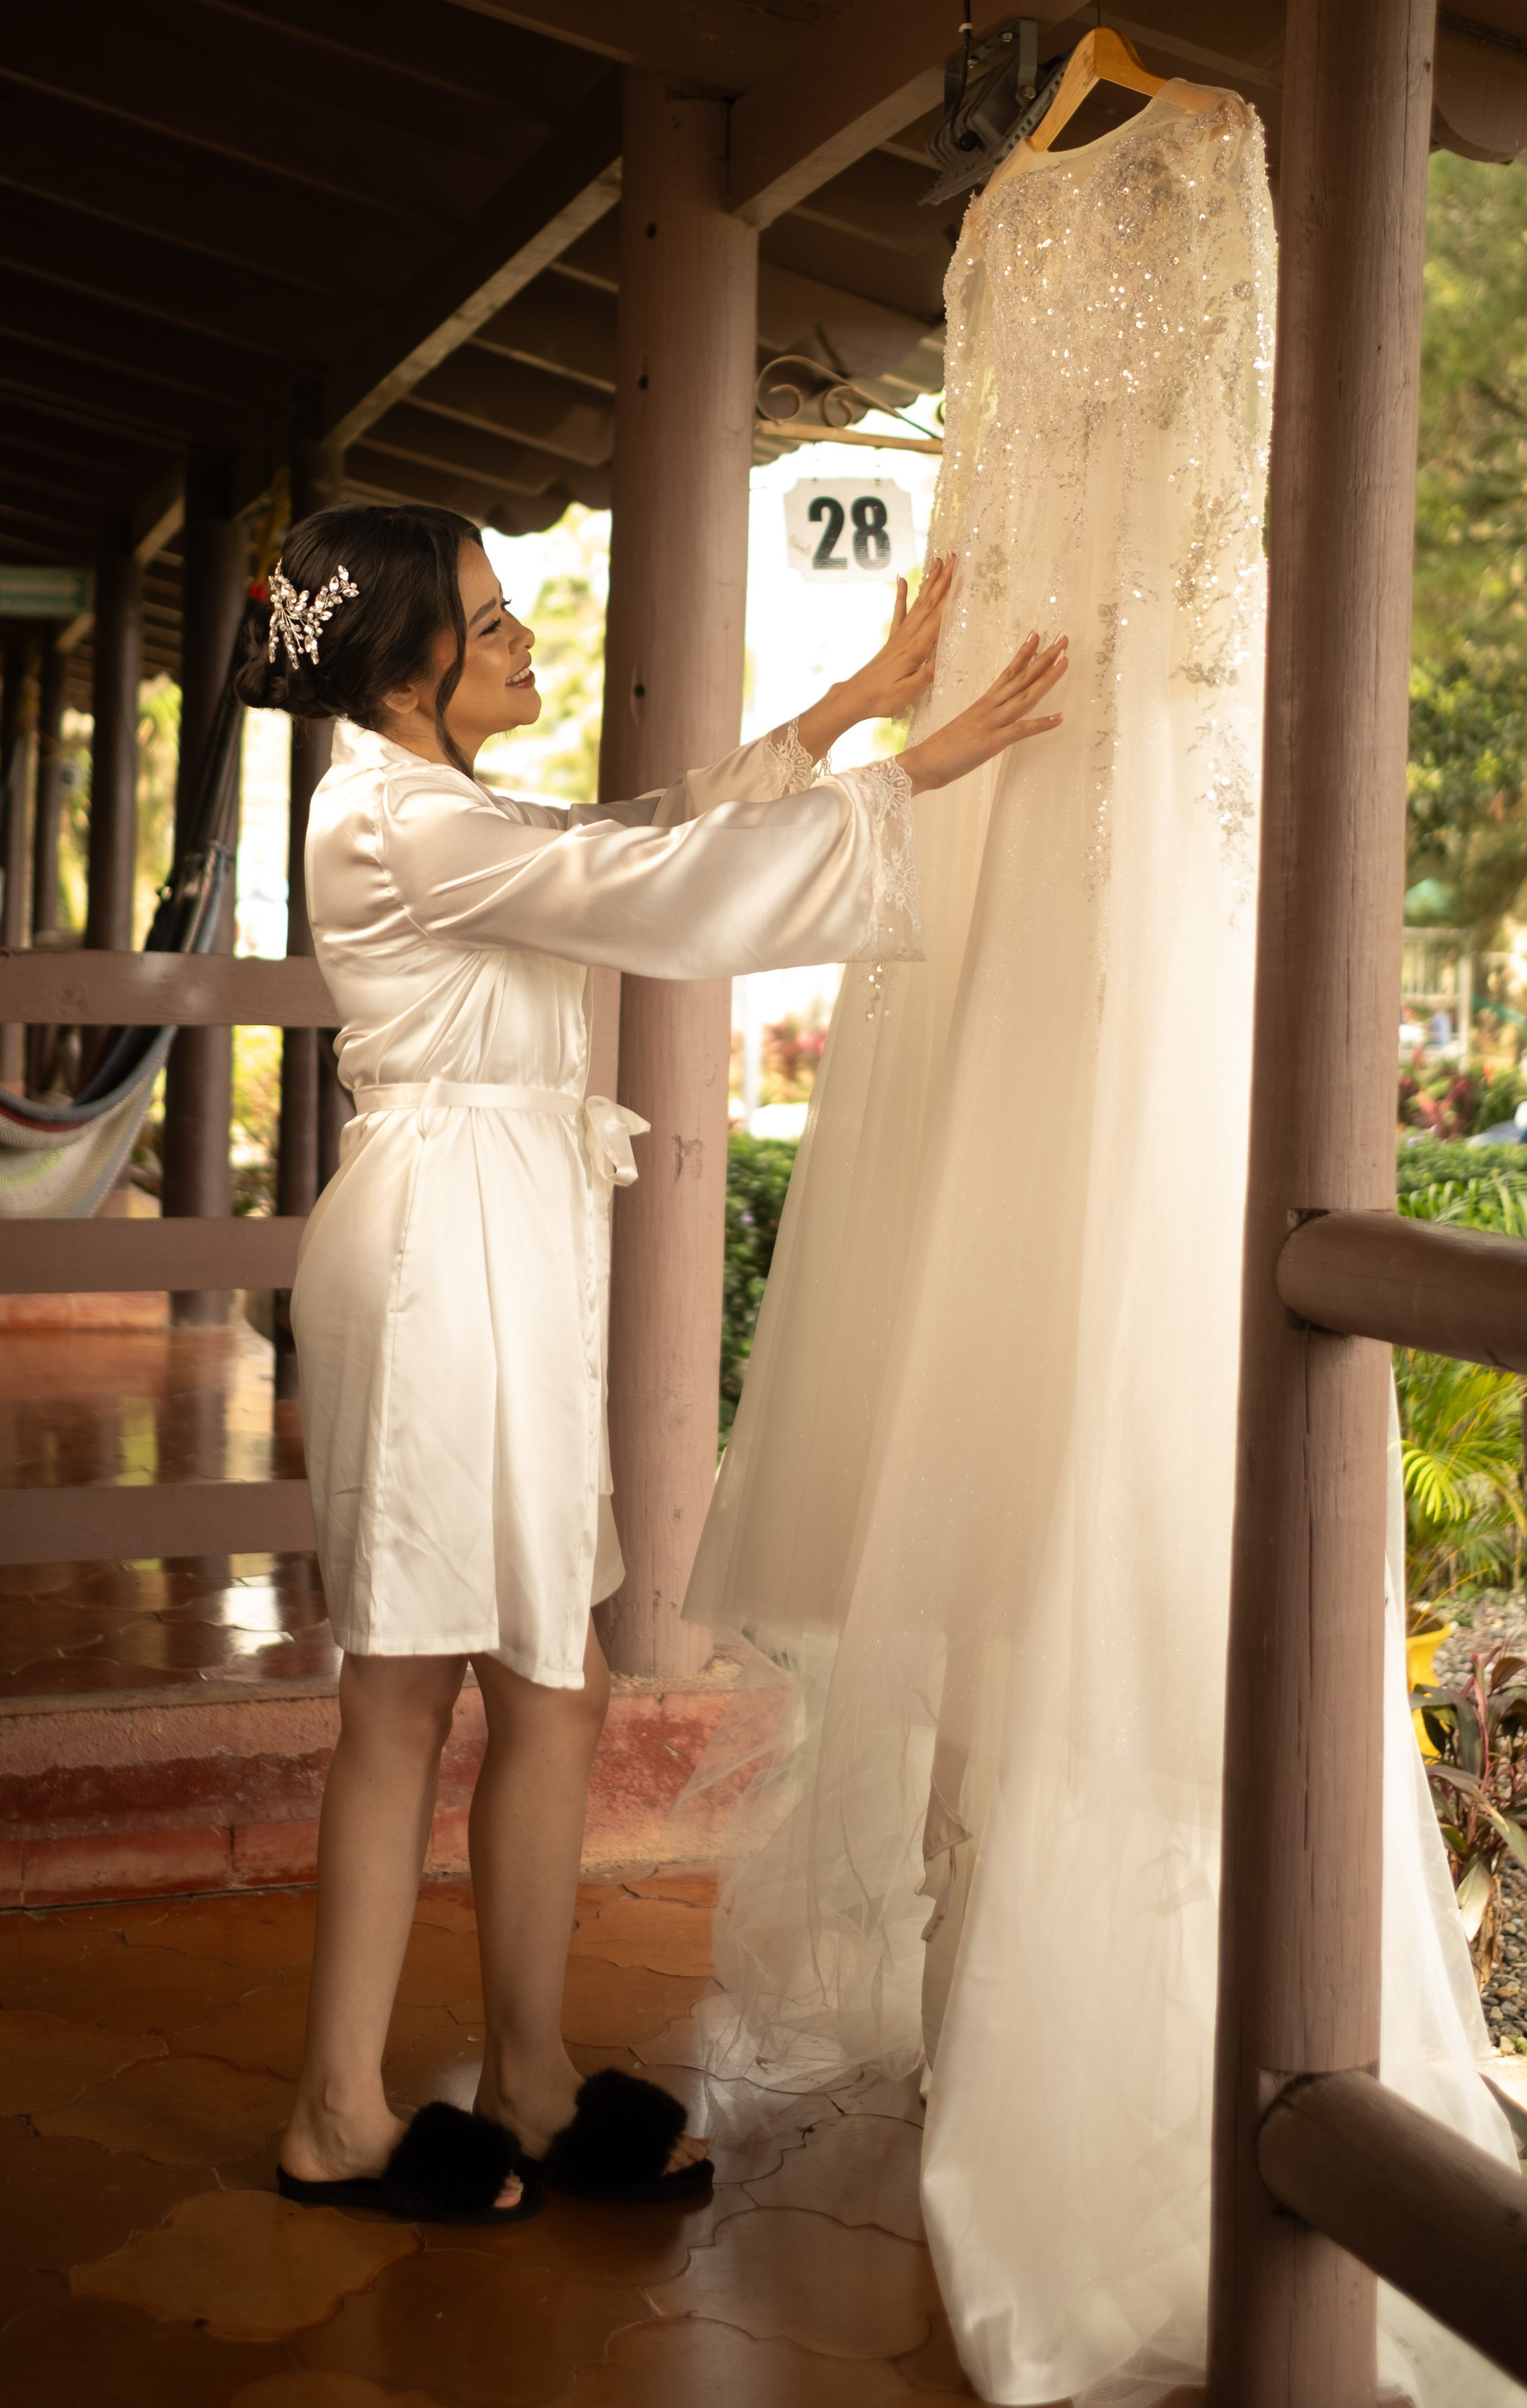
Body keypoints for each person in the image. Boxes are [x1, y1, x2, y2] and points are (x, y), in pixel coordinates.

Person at [231, 498, 1067, 2223]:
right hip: (439, 1250)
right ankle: (335, 2112)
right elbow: (645, 878)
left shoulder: (438, 804)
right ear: (408, 669)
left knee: (558, 1680)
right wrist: (920, 769)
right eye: (491, 616)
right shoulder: (387, 816)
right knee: (404, 1694)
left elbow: (629, 828)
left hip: (503, 1240)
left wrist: (843, 714)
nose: (525, 634)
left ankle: (532, 2081)